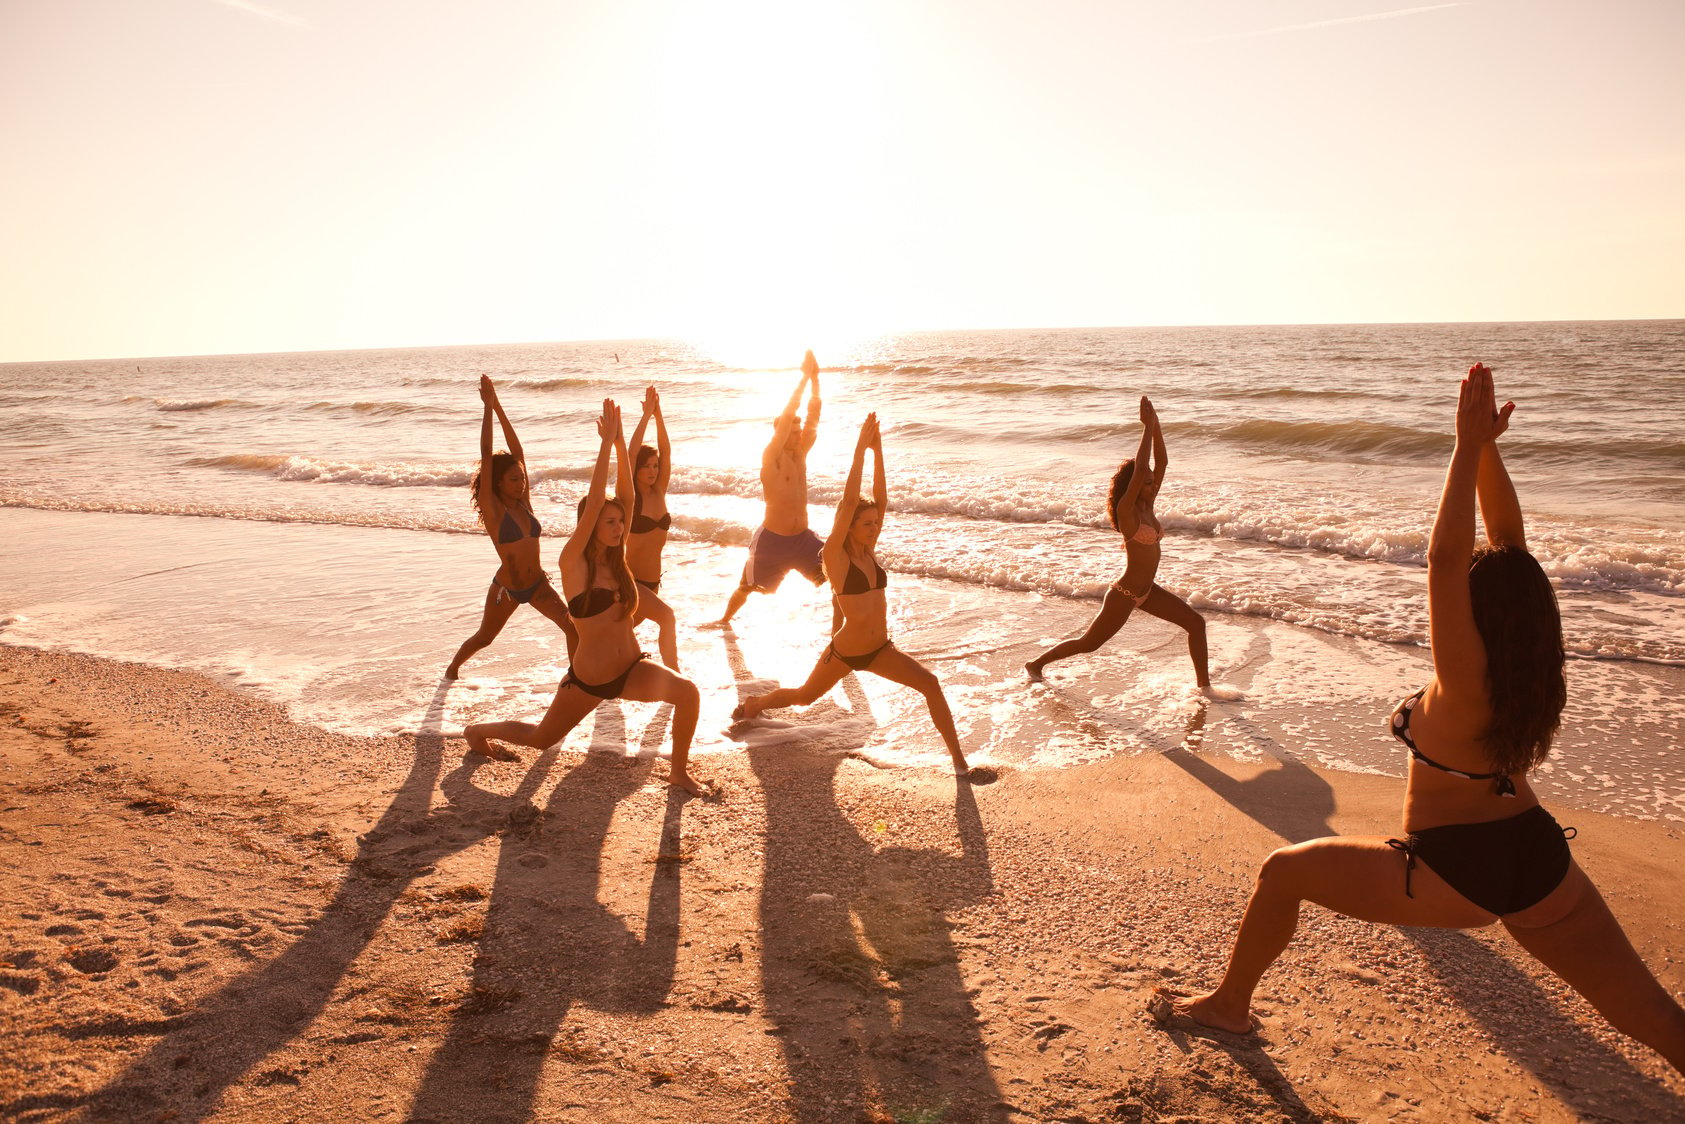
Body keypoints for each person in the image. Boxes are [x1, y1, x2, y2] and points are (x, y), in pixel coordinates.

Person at [1157, 365, 1685, 1074]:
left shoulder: (1464, 681)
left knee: (1281, 872)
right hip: (1537, 855)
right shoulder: (1531, 662)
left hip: (1448, 873)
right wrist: (1487, 447)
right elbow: (1507, 544)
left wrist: (1463, 446)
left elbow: (1443, 560)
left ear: (1477, 614)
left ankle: (1227, 1006)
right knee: (1649, 1015)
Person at [464, 400, 710, 797]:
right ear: (590, 526)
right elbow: (597, 501)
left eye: (620, 523)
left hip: (631, 669)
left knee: (688, 693)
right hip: (589, 680)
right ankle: (476, 730)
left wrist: (619, 446)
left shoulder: (619, 562)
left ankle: (678, 772)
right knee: (542, 738)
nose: (618, 528)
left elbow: (625, 499)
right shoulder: (573, 564)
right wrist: (604, 447)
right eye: (609, 523)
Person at [735, 413, 990, 782]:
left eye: (875, 524)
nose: (874, 529)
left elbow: (881, 499)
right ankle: (755, 705)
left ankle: (958, 761)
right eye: (866, 524)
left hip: (880, 649)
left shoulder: (869, 550)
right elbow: (849, 499)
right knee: (805, 696)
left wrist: (879, 450)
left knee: (930, 684)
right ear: (848, 526)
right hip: (845, 651)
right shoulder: (837, 556)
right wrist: (858, 451)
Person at [1025, 395, 1209, 689]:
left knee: (1196, 624)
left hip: (1149, 591)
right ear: (1133, 486)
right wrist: (1145, 428)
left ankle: (1205, 689)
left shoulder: (1148, 506)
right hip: (1123, 594)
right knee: (1089, 644)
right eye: (1147, 483)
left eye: (1152, 482)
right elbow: (1141, 469)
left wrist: (1157, 422)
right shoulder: (1128, 512)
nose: (1153, 485)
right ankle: (1036, 664)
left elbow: (1161, 462)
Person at [445, 375, 577, 679]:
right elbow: (487, 452)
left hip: (538, 585)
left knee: (572, 627)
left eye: (523, 478)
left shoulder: (524, 503)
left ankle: (576, 679)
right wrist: (487, 408)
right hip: (507, 589)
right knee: (485, 638)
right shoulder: (494, 510)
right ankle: (452, 670)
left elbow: (518, 453)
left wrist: (501, 405)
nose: (521, 483)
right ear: (499, 483)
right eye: (514, 479)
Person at [714, 351, 830, 628]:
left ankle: (841, 631)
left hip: (803, 540)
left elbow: (814, 414)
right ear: (780, 433)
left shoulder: (800, 454)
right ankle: (724, 620)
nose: (798, 433)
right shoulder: (771, 458)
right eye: (792, 430)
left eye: (798, 430)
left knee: (836, 573)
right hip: (773, 542)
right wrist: (802, 379)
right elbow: (790, 413)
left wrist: (816, 380)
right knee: (749, 587)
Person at [622, 386, 680, 670]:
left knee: (618, 635)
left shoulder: (659, 491)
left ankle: (596, 672)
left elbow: (667, 451)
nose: (653, 470)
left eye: (655, 466)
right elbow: (629, 454)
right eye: (647, 466)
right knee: (667, 618)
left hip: (654, 582)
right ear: (636, 469)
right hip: (630, 583)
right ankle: (676, 677)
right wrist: (645, 416)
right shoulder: (630, 497)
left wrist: (660, 415)